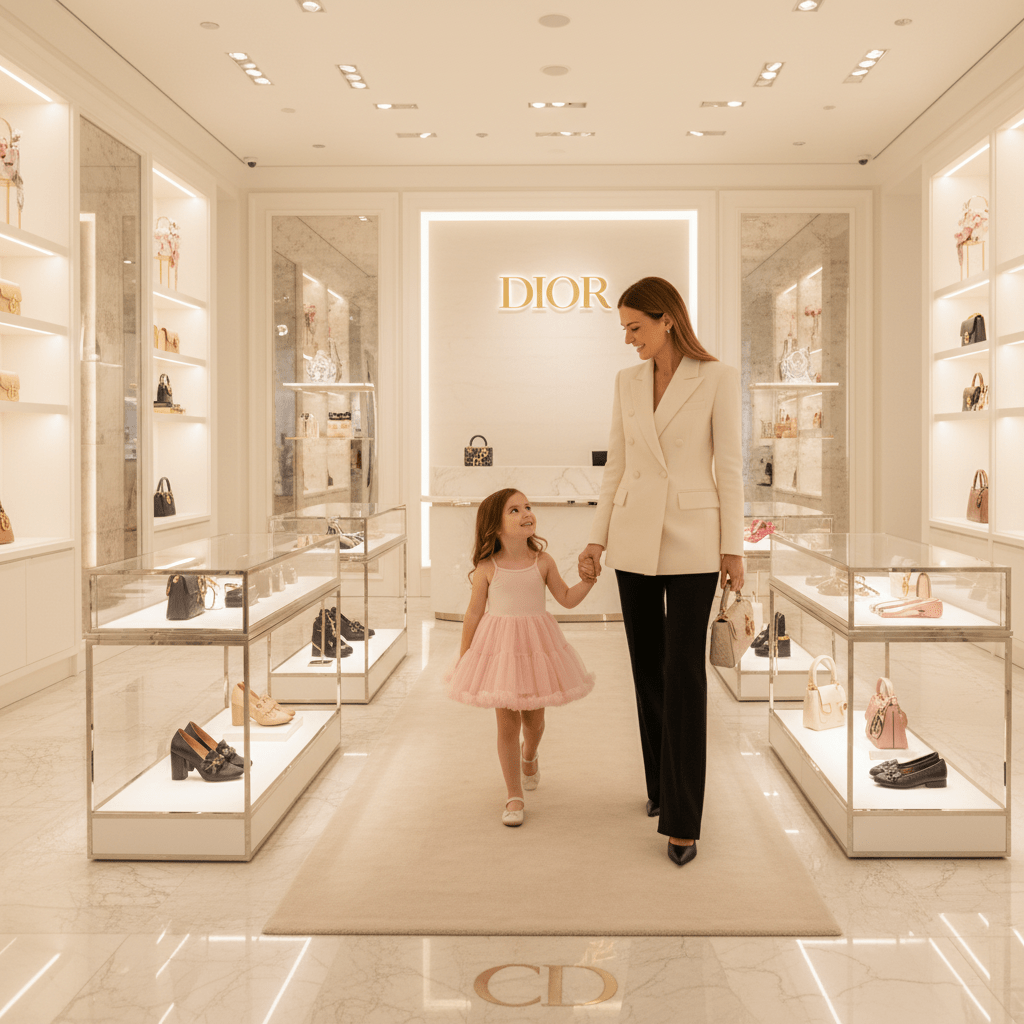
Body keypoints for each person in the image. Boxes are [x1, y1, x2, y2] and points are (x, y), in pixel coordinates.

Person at [578, 276, 744, 867]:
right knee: (647, 670)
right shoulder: (626, 383)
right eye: (623, 329)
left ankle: (682, 818)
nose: (627, 340)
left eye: (634, 327)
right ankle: (658, 785)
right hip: (631, 540)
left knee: (684, 675)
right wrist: (595, 541)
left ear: (666, 319)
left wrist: (735, 548)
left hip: (696, 542)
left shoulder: (717, 377)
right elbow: (615, 467)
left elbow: (730, 467)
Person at [447, 488, 596, 826]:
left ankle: (530, 754)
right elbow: (473, 614)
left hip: (536, 650)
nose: (526, 513)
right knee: (506, 723)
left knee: (534, 721)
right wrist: (465, 657)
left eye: (527, 506)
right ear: (495, 526)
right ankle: (514, 794)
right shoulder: (488, 566)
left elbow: (567, 598)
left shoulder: (542, 562)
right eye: (514, 510)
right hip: (500, 650)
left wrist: (588, 581)